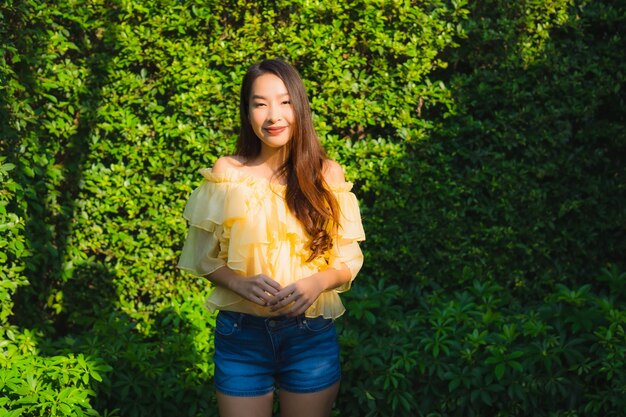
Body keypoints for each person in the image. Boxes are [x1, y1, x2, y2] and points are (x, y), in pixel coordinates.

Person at [177, 58, 365, 417]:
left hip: (310, 336)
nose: (273, 115)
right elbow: (202, 257)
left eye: (284, 102)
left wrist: (318, 283)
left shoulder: (328, 175)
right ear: (247, 112)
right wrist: (238, 282)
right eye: (260, 103)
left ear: (300, 106)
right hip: (242, 337)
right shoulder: (228, 173)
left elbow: (347, 262)